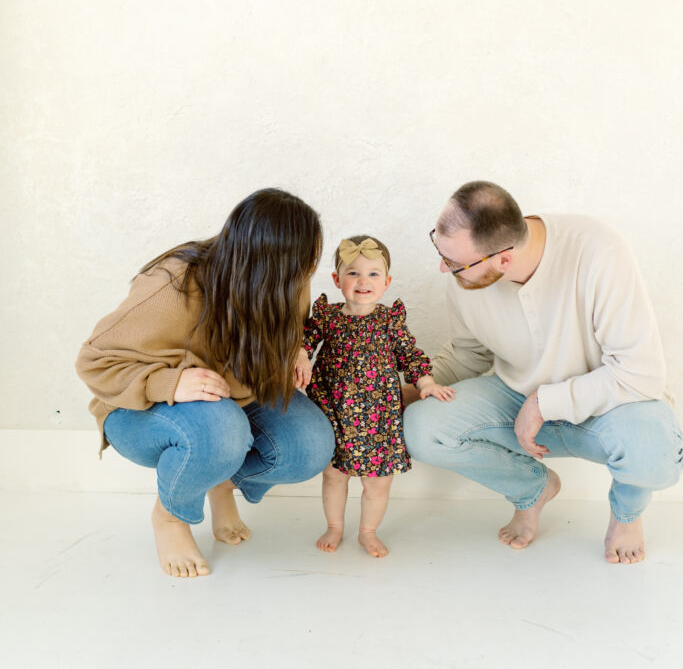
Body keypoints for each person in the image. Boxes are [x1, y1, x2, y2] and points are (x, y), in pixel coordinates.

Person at [403, 181, 682, 565]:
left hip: (607, 409)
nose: (442, 267)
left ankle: (627, 515)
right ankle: (532, 490)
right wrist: (411, 388)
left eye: (452, 262)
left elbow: (641, 373)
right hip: (513, 402)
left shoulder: (598, 249)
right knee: (421, 426)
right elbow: (469, 354)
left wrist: (543, 402)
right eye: (439, 248)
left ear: (503, 260)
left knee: (657, 451)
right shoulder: (466, 275)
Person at [75, 188, 335, 578]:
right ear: (269, 262)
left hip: (232, 398)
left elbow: (291, 324)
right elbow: (93, 362)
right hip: (138, 409)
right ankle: (170, 518)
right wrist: (169, 383)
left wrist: (295, 348)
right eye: (304, 262)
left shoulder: (289, 281)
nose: (308, 273)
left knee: (310, 445)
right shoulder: (174, 285)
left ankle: (219, 483)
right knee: (222, 431)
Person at [302, 235, 453, 557]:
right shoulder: (327, 317)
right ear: (336, 279)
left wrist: (425, 383)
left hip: (378, 416)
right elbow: (301, 347)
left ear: (386, 282)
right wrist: (296, 363)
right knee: (334, 474)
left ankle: (368, 531)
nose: (363, 281)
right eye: (353, 272)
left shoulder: (389, 321)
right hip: (334, 409)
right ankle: (335, 526)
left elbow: (409, 355)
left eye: (372, 274)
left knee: (378, 481)